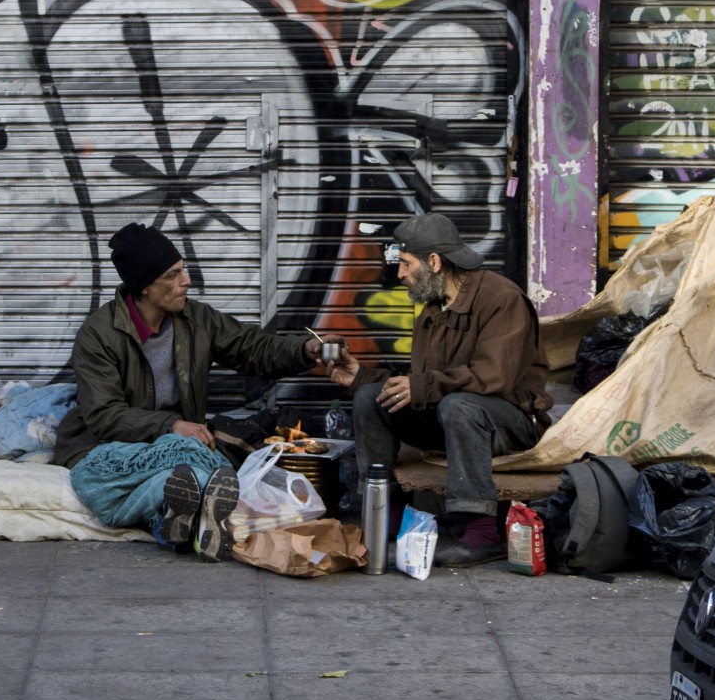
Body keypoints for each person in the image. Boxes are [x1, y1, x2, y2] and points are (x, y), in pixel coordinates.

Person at [55, 222, 338, 562]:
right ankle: (198, 513)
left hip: (171, 447)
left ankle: (173, 523)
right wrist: (171, 425)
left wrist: (304, 350)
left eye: (183, 271)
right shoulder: (98, 334)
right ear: (144, 286)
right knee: (184, 463)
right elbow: (104, 414)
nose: (186, 281)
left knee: (180, 473)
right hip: (107, 445)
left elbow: (252, 348)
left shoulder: (196, 318)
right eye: (172, 275)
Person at [328, 213, 553, 567]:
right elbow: (423, 384)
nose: (399, 274)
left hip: (509, 424)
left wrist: (423, 386)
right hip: (453, 417)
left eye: (405, 264)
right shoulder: (433, 310)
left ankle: (482, 533)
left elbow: (494, 377)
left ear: (434, 262)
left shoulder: (501, 298)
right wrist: (361, 378)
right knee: (370, 400)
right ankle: (388, 512)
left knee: (460, 405)